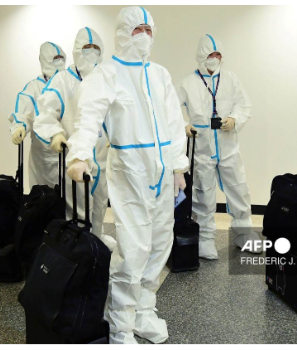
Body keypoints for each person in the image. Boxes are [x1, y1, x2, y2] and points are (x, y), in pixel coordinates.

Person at [65, 6, 188, 344]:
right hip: (130, 171)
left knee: (160, 243)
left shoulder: (160, 74)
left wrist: (179, 166)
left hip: (162, 173)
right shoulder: (107, 74)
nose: (144, 37)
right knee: (133, 250)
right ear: (122, 33)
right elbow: (88, 117)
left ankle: (144, 311)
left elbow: (175, 125)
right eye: (137, 30)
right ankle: (120, 325)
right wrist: (79, 155)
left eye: (149, 30)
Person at [176, 34, 261, 260]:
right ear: (201, 56)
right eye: (210, 55)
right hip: (202, 149)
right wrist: (184, 124)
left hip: (228, 146)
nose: (214, 58)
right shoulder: (188, 82)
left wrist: (234, 119)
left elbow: (244, 104)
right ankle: (205, 239)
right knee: (203, 194)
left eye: (217, 55)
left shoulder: (231, 79)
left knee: (239, 189)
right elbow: (171, 109)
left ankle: (244, 234)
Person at [33, 28, 116, 250]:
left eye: (95, 48)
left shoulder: (108, 77)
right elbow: (44, 115)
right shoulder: (62, 80)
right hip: (77, 156)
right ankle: (78, 248)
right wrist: (56, 133)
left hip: (105, 156)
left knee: (100, 203)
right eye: (85, 49)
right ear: (76, 51)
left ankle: (95, 243)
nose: (90, 53)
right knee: (77, 206)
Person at [8, 42, 65, 187]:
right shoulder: (34, 87)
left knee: (68, 198)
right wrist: (20, 127)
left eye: (61, 58)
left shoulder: (68, 84)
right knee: (41, 197)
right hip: (41, 154)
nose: (58, 62)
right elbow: (24, 112)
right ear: (45, 60)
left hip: (65, 149)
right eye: (54, 58)